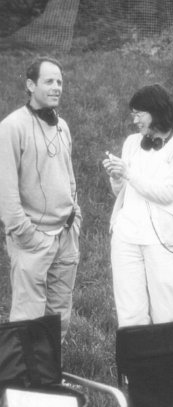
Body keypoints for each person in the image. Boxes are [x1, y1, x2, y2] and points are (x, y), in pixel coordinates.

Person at [102, 84, 173, 328]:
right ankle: (137, 366)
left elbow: (167, 194)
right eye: (132, 114)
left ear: (156, 111)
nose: (134, 120)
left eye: (139, 113)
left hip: (162, 239)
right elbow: (121, 193)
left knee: (167, 311)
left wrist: (129, 174)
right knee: (130, 313)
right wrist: (116, 176)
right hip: (126, 236)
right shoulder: (132, 142)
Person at [0, 56, 81, 339]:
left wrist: (75, 217)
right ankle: (22, 380)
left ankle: (49, 376)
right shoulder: (11, 127)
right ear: (30, 85)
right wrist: (25, 233)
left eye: (59, 81)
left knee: (59, 317)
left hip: (66, 235)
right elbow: (5, 191)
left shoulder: (62, 126)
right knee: (28, 320)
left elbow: (69, 176)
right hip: (33, 237)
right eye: (49, 81)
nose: (56, 87)